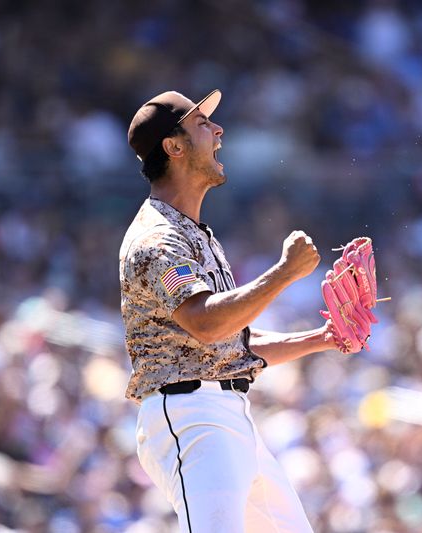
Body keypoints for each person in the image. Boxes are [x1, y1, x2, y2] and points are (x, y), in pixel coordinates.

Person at [119, 89, 334, 532]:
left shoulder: (194, 233)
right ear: (173, 147)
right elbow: (206, 323)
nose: (218, 131)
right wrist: (283, 274)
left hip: (229, 414)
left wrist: (321, 338)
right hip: (191, 417)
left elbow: (231, 340)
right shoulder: (155, 239)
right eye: (203, 124)